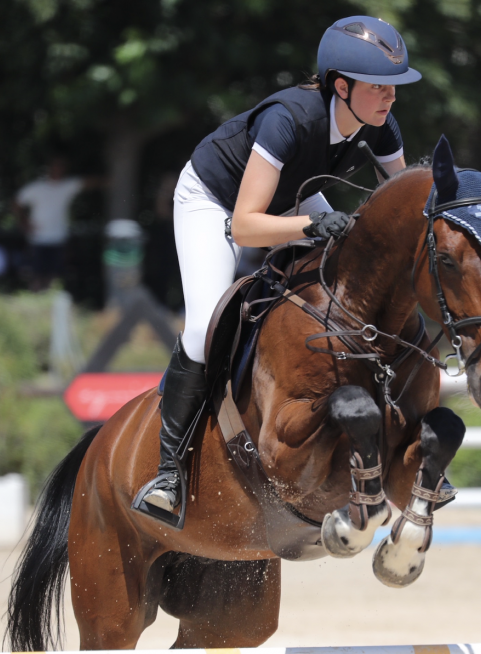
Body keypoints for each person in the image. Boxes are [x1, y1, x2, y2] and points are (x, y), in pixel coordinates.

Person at [135, 16, 421, 514]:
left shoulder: (379, 125)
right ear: (341, 86)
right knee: (205, 327)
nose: (391, 98)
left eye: (394, 88)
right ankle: (168, 473)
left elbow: (410, 200)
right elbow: (245, 226)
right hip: (218, 201)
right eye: (380, 87)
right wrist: (313, 227)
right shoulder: (288, 118)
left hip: (295, 195)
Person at [14, 157, 103, 290]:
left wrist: (115, 180)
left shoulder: (67, 186)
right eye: (55, 166)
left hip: (58, 238)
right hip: (38, 238)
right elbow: (16, 203)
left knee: (55, 276)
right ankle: (34, 303)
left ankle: (49, 304)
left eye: (61, 167)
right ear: (49, 169)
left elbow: (88, 182)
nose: (58, 169)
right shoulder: (37, 188)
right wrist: (24, 223)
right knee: (36, 274)